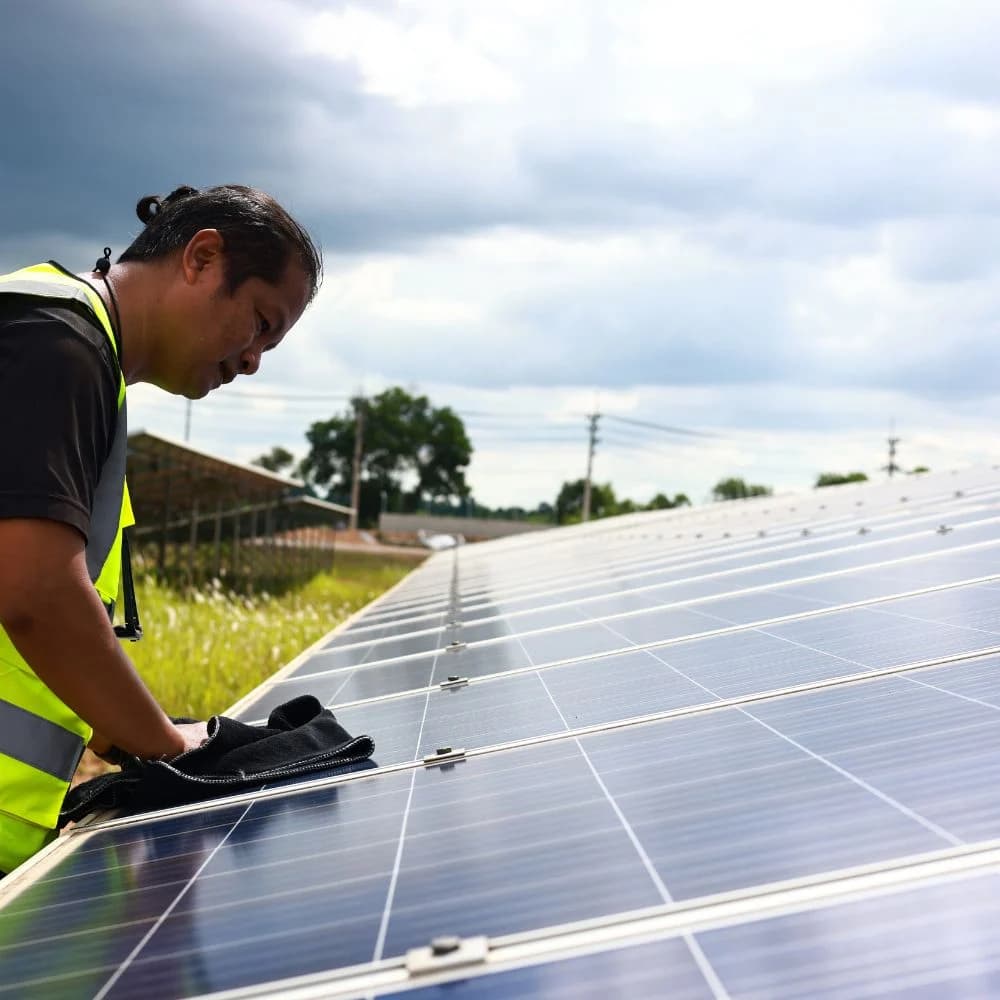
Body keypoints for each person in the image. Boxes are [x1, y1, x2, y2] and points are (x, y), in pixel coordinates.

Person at [0, 185, 322, 875]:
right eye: (260, 323)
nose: (254, 360)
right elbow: (35, 594)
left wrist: (133, 728)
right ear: (202, 258)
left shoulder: (75, 352)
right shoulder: (57, 345)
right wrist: (167, 749)